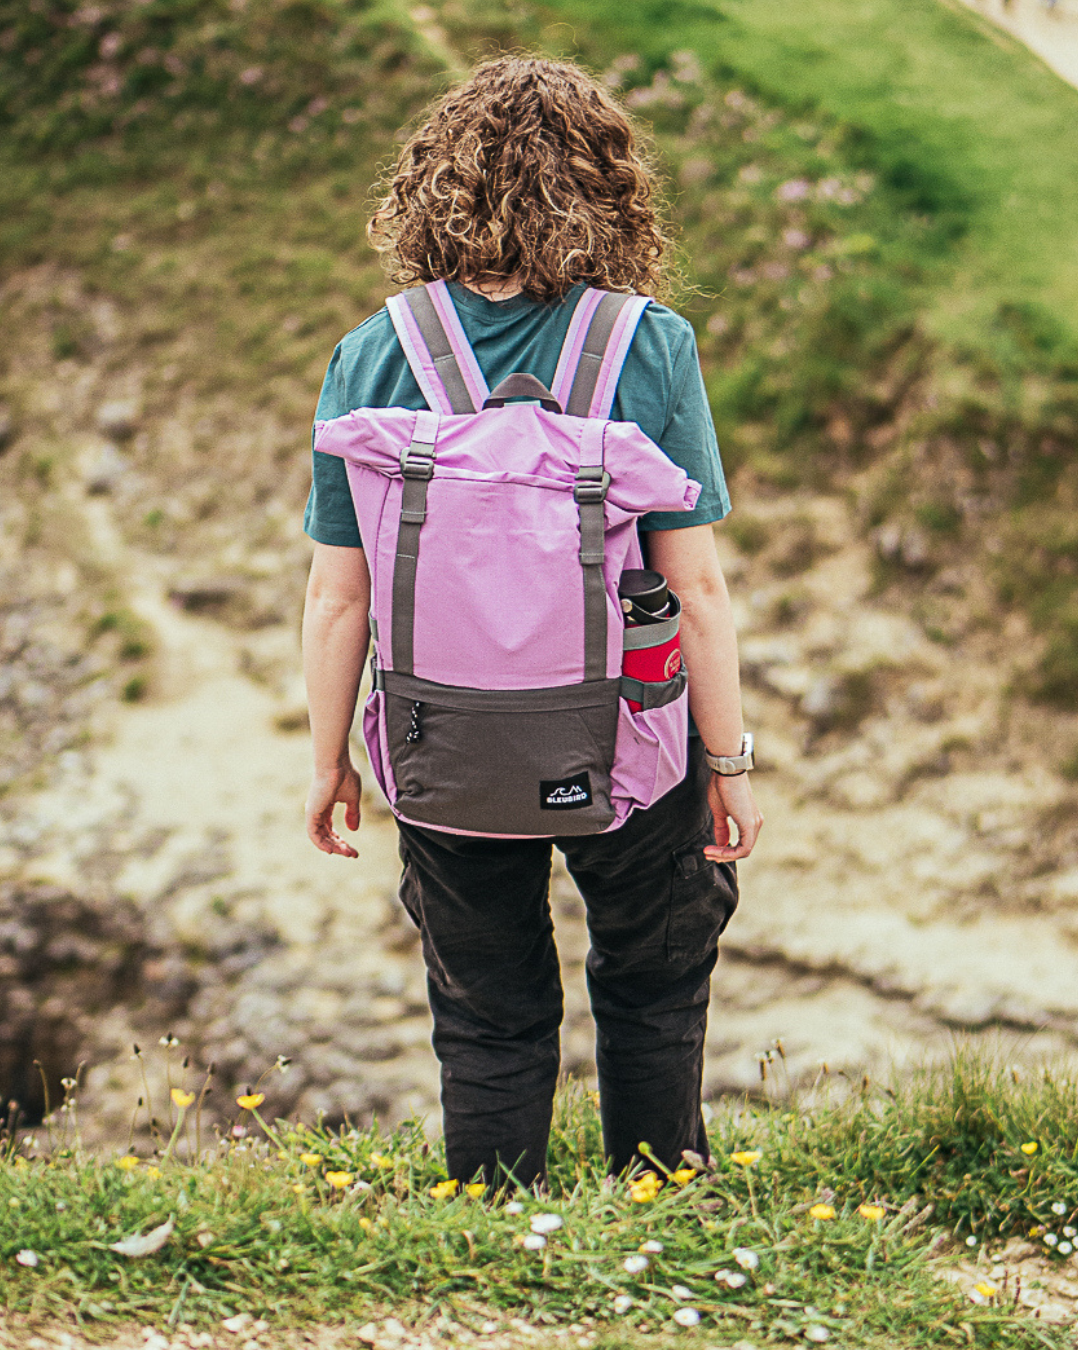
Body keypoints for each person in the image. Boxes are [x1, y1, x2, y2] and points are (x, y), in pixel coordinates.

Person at [301, 56, 762, 1189]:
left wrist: (330, 762)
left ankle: (496, 1209)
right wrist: (729, 762)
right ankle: (658, 1191)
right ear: (607, 188)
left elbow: (339, 596)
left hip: (439, 745)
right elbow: (694, 588)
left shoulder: (375, 352)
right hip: (627, 739)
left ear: (430, 187)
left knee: (488, 1001)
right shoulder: (646, 345)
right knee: (653, 976)